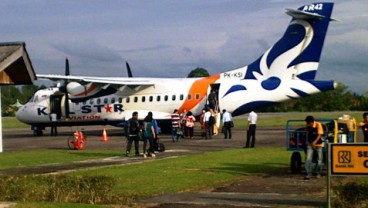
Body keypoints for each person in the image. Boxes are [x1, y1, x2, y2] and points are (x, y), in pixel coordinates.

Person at [304, 115, 324, 180]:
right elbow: (307, 132)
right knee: (308, 159)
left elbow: (319, 135)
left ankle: (318, 173)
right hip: (310, 144)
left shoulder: (318, 125)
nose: (307, 124)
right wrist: (309, 142)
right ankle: (308, 173)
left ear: (311, 122)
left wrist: (314, 142)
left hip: (318, 145)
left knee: (319, 159)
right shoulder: (308, 126)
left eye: (308, 123)